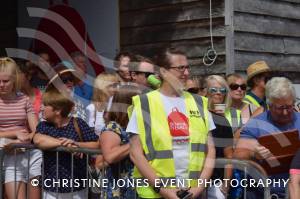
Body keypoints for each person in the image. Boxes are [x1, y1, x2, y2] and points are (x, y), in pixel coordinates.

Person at [128, 47, 216, 198]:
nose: (187, 73)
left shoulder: (199, 103)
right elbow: (136, 153)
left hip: (192, 193)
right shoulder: (144, 103)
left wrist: (198, 188)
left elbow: (211, 151)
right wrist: (163, 190)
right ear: (163, 71)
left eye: (187, 67)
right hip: (156, 194)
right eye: (180, 68)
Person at [235, 77, 300, 198]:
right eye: (280, 108)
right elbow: (239, 153)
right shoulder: (256, 123)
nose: (285, 112)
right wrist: (254, 153)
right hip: (263, 192)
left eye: (289, 107)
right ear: (269, 105)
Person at [33, 87, 99, 199]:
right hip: (51, 189)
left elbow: (97, 144)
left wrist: (77, 145)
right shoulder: (44, 126)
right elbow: (38, 139)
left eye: (45, 105)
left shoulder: (77, 123)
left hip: (77, 187)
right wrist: (67, 145)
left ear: (58, 110)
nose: (41, 108)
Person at [0, 57, 42, 199]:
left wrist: (26, 139)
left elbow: (37, 129)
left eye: (5, 81)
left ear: (14, 80)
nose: (1, 85)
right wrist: (15, 134)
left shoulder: (24, 99)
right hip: (8, 156)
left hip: (30, 154)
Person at [100, 85, 141, 198]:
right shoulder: (113, 127)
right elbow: (110, 156)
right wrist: (138, 142)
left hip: (139, 186)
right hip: (119, 189)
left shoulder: (139, 125)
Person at [205, 75, 234, 199]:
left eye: (222, 90)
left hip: (215, 183)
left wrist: (226, 184)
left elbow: (229, 156)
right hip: (191, 179)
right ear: (205, 92)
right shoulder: (196, 115)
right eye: (214, 90)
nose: (218, 93)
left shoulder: (223, 121)